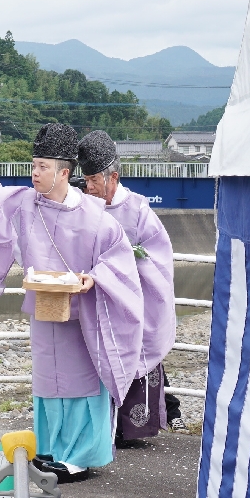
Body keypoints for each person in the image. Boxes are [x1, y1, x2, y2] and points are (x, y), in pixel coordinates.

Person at [0, 124, 143, 481]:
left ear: (64, 172)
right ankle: (51, 449)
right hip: (44, 311)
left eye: (43, 166)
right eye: (33, 164)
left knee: (80, 382)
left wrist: (95, 277)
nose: (34, 172)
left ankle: (79, 457)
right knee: (48, 381)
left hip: (83, 315)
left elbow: (118, 257)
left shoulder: (95, 217)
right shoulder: (22, 204)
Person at [77, 130, 181, 440]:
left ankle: (132, 430)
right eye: (86, 179)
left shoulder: (136, 210)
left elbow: (158, 257)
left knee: (137, 356)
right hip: (97, 298)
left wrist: (125, 264)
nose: (90, 186)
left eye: (95, 179)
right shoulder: (82, 203)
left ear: (113, 177)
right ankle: (97, 431)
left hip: (133, 302)